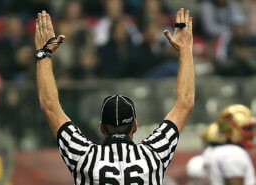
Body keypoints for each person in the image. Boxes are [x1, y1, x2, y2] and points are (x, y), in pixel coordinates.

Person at [35, 8, 194, 184]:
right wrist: (185, 50)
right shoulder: (153, 155)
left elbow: (49, 105)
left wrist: (44, 54)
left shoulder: (84, 157)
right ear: (134, 126)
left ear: (102, 128)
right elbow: (184, 103)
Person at [203, 104, 255, 185]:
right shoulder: (234, 154)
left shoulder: (218, 151)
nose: (252, 133)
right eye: (247, 128)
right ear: (232, 129)